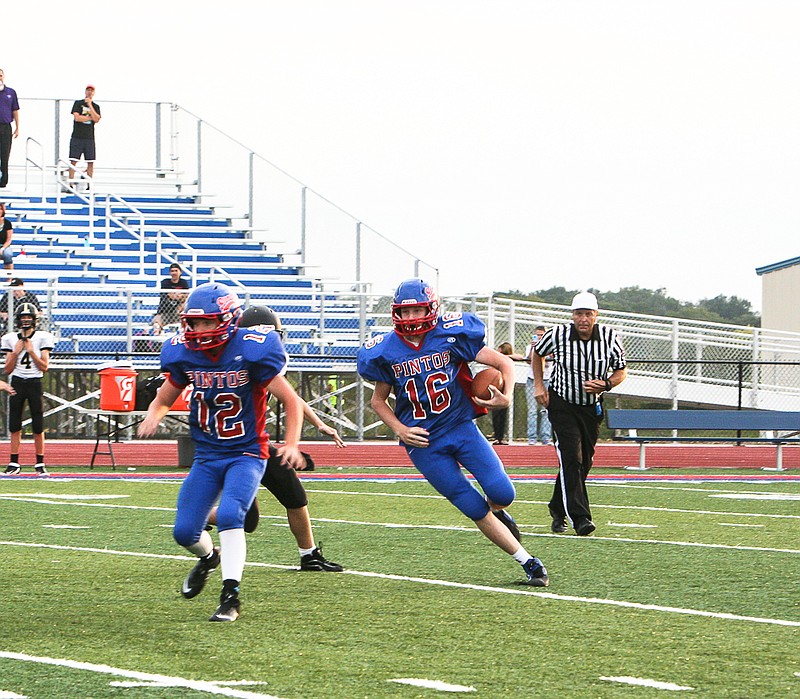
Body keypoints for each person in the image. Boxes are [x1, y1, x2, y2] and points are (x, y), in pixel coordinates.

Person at [357, 278, 549, 586]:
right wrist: (401, 430)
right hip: (424, 442)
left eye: (416, 311)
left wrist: (508, 395)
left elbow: (501, 361)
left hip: (460, 426)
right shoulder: (385, 350)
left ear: (431, 308)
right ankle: (528, 562)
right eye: (404, 313)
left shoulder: (451, 333)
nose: (410, 319)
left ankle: (499, 513)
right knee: (471, 505)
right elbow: (377, 401)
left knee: (502, 493)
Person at [137, 282, 305, 623]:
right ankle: (208, 558)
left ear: (228, 320)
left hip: (247, 451)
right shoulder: (185, 353)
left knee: (231, 515)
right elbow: (166, 396)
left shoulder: (251, 350)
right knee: (184, 532)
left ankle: (231, 596)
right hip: (208, 455)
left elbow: (290, 400)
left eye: (207, 323)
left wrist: (290, 443)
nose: (199, 330)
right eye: (194, 323)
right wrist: (154, 413)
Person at [206, 304, 344, 572]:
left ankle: (309, 554)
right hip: (231, 448)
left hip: (255, 444)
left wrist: (320, 423)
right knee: (248, 518)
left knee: (292, 496)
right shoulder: (235, 363)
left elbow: (291, 398)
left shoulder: (249, 359)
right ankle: (196, 518)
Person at [531, 291, 627, 536]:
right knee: (571, 457)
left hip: (590, 406)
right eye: (578, 314)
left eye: (588, 314)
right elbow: (537, 353)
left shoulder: (609, 337)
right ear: (572, 315)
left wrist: (606, 384)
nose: (583, 319)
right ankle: (581, 517)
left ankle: (556, 507)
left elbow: (621, 370)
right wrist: (539, 385)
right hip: (562, 403)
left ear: (596, 315)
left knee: (583, 463)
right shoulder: (558, 334)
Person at [1, 303, 56, 476]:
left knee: (38, 425)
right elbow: (7, 369)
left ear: (34, 319)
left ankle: (40, 463)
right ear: (18, 319)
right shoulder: (10, 338)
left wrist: (32, 352)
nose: (26, 320)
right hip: (17, 382)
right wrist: (16, 352)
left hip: (34, 382)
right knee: (14, 424)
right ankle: (14, 462)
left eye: (28, 317)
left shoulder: (43, 337)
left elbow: (44, 367)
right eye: (23, 317)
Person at [490, 341, 525, 445]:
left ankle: (501, 437)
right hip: (497, 386)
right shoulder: (496, 360)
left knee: (503, 413)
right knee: (495, 413)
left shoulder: (507, 360)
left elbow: (520, 357)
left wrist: (506, 356)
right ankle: (497, 436)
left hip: (506, 388)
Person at [525, 326, 553, 445]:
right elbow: (529, 360)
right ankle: (532, 437)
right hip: (532, 380)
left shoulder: (551, 347)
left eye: (542, 335)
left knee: (546, 410)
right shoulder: (530, 347)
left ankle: (546, 437)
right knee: (532, 411)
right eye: (537, 335)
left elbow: (549, 362)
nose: (539, 337)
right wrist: (533, 348)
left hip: (547, 379)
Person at [69, 85, 101, 185]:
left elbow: (97, 119)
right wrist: (90, 118)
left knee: (90, 162)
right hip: (77, 136)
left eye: (91, 91)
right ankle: (71, 183)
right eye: (88, 90)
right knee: (73, 160)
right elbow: (77, 118)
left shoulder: (96, 107)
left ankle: (89, 184)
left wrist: (90, 106)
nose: (89, 92)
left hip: (89, 138)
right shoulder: (78, 104)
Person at [152, 263, 189, 332]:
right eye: (172, 271)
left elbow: (186, 295)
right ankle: (157, 339)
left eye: (176, 270)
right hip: (165, 312)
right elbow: (168, 295)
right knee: (156, 323)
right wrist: (179, 295)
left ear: (180, 272)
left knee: (185, 305)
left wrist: (178, 296)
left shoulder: (183, 282)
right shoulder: (165, 282)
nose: (174, 273)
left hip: (178, 312)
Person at [0, 69, 20, 189]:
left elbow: (15, 110)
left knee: (5, 153)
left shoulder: (10, 92)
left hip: (5, 126)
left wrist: (17, 127)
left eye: (0, 75)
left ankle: (3, 180)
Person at [0, 202, 14, 269]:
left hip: (4, 246)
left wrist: (2, 248)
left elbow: (9, 240)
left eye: (0, 209)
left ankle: (9, 278)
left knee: (7, 254)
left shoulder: (7, 223)